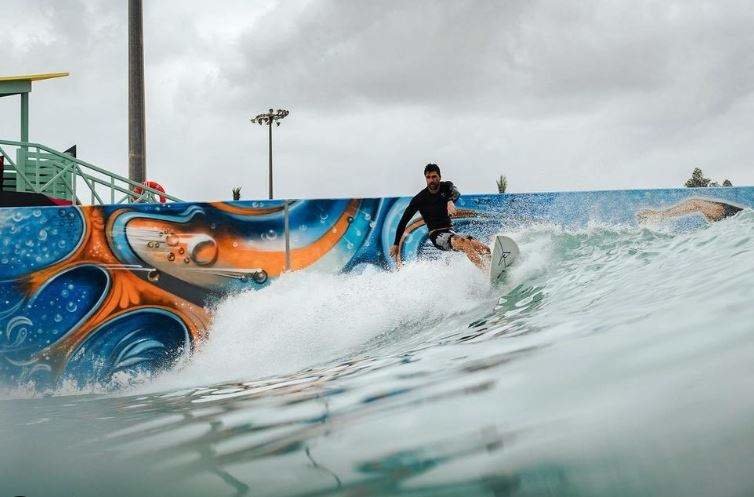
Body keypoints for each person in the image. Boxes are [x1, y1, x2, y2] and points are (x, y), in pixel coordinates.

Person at [389, 163, 491, 269]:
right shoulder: (419, 199)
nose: (431, 180)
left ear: (439, 177)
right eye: (428, 177)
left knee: (485, 249)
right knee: (464, 243)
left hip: (451, 232)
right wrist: (396, 244)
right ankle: (485, 272)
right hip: (437, 236)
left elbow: (455, 192)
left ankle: (493, 269)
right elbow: (403, 221)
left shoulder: (446, 187)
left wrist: (450, 201)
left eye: (434, 177)